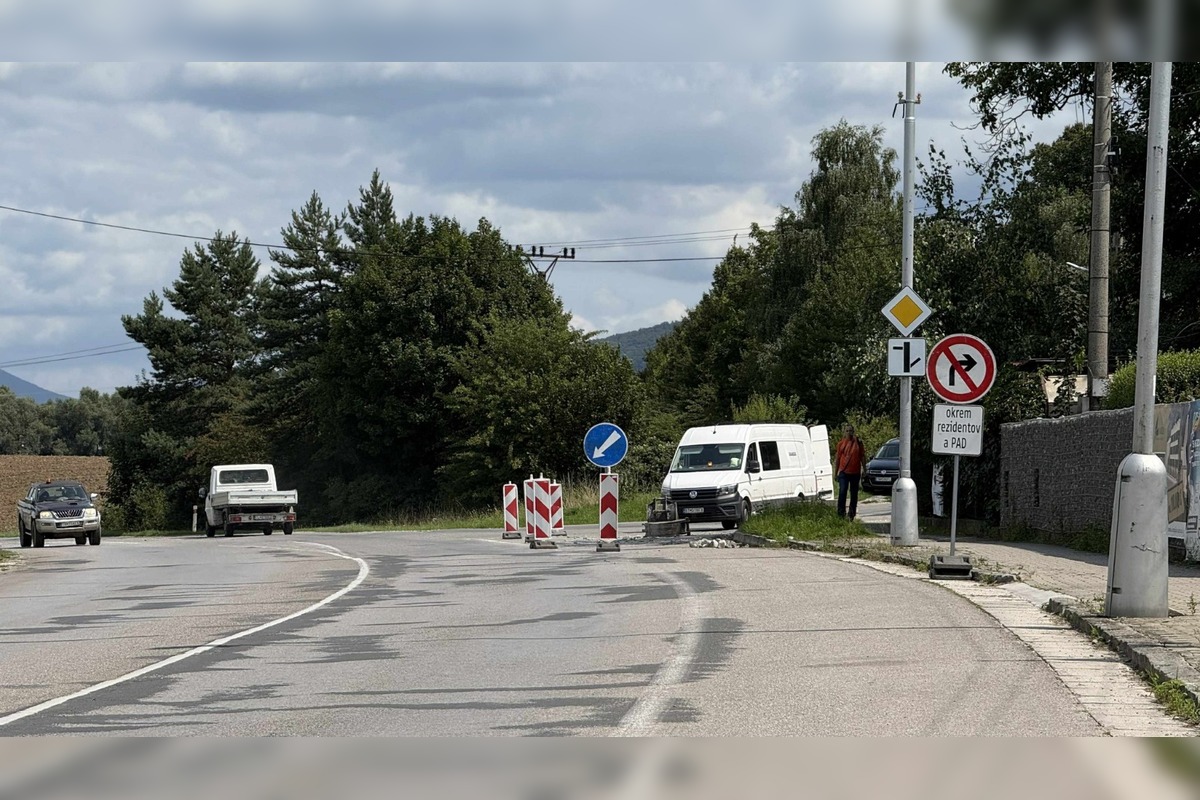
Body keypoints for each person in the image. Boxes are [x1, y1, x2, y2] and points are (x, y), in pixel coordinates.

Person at [834, 424, 867, 520]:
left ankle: (851, 514)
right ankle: (841, 514)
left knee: (854, 494)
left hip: (855, 472)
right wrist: (836, 473)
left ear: (853, 432)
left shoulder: (858, 443)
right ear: (845, 432)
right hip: (844, 472)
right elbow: (838, 459)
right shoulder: (841, 444)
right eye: (847, 431)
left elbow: (862, 456)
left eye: (850, 431)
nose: (849, 433)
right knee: (842, 492)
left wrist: (864, 470)